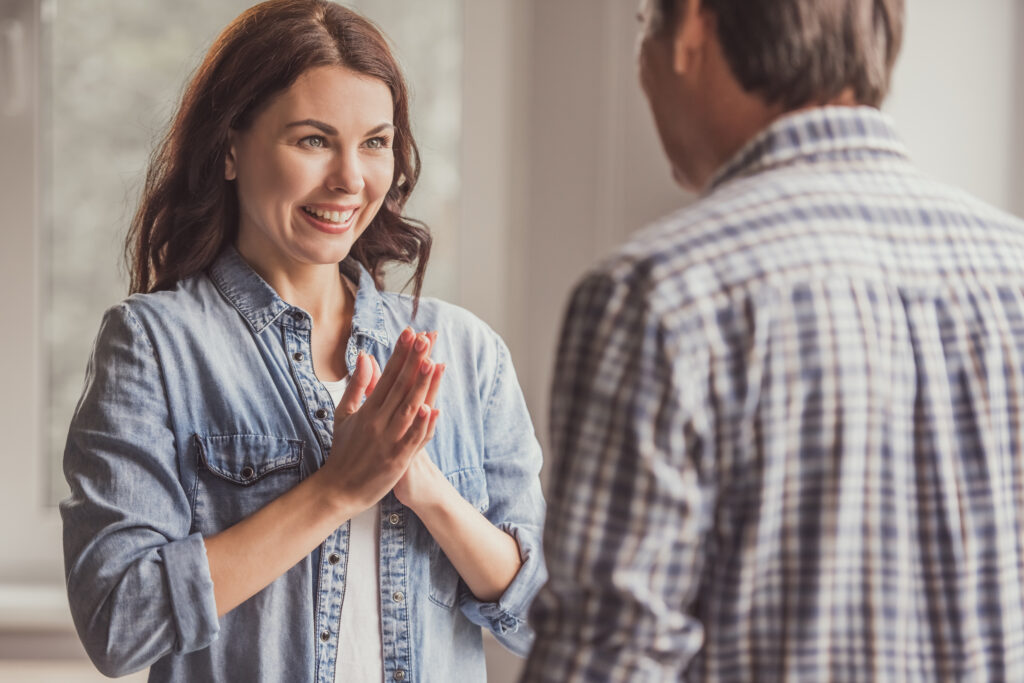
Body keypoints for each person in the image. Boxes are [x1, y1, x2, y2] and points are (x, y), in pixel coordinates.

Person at [524, 0, 1024, 680]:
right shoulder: (1013, 268)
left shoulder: (658, 294)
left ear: (692, 27)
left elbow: (606, 660)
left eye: (646, 24)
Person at [60, 1, 545, 681]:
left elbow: (546, 619)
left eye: (374, 142)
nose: (350, 179)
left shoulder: (467, 353)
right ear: (231, 147)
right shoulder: (154, 346)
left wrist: (427, 490)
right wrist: (337, 488)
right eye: (314, 140)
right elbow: (119, 621)